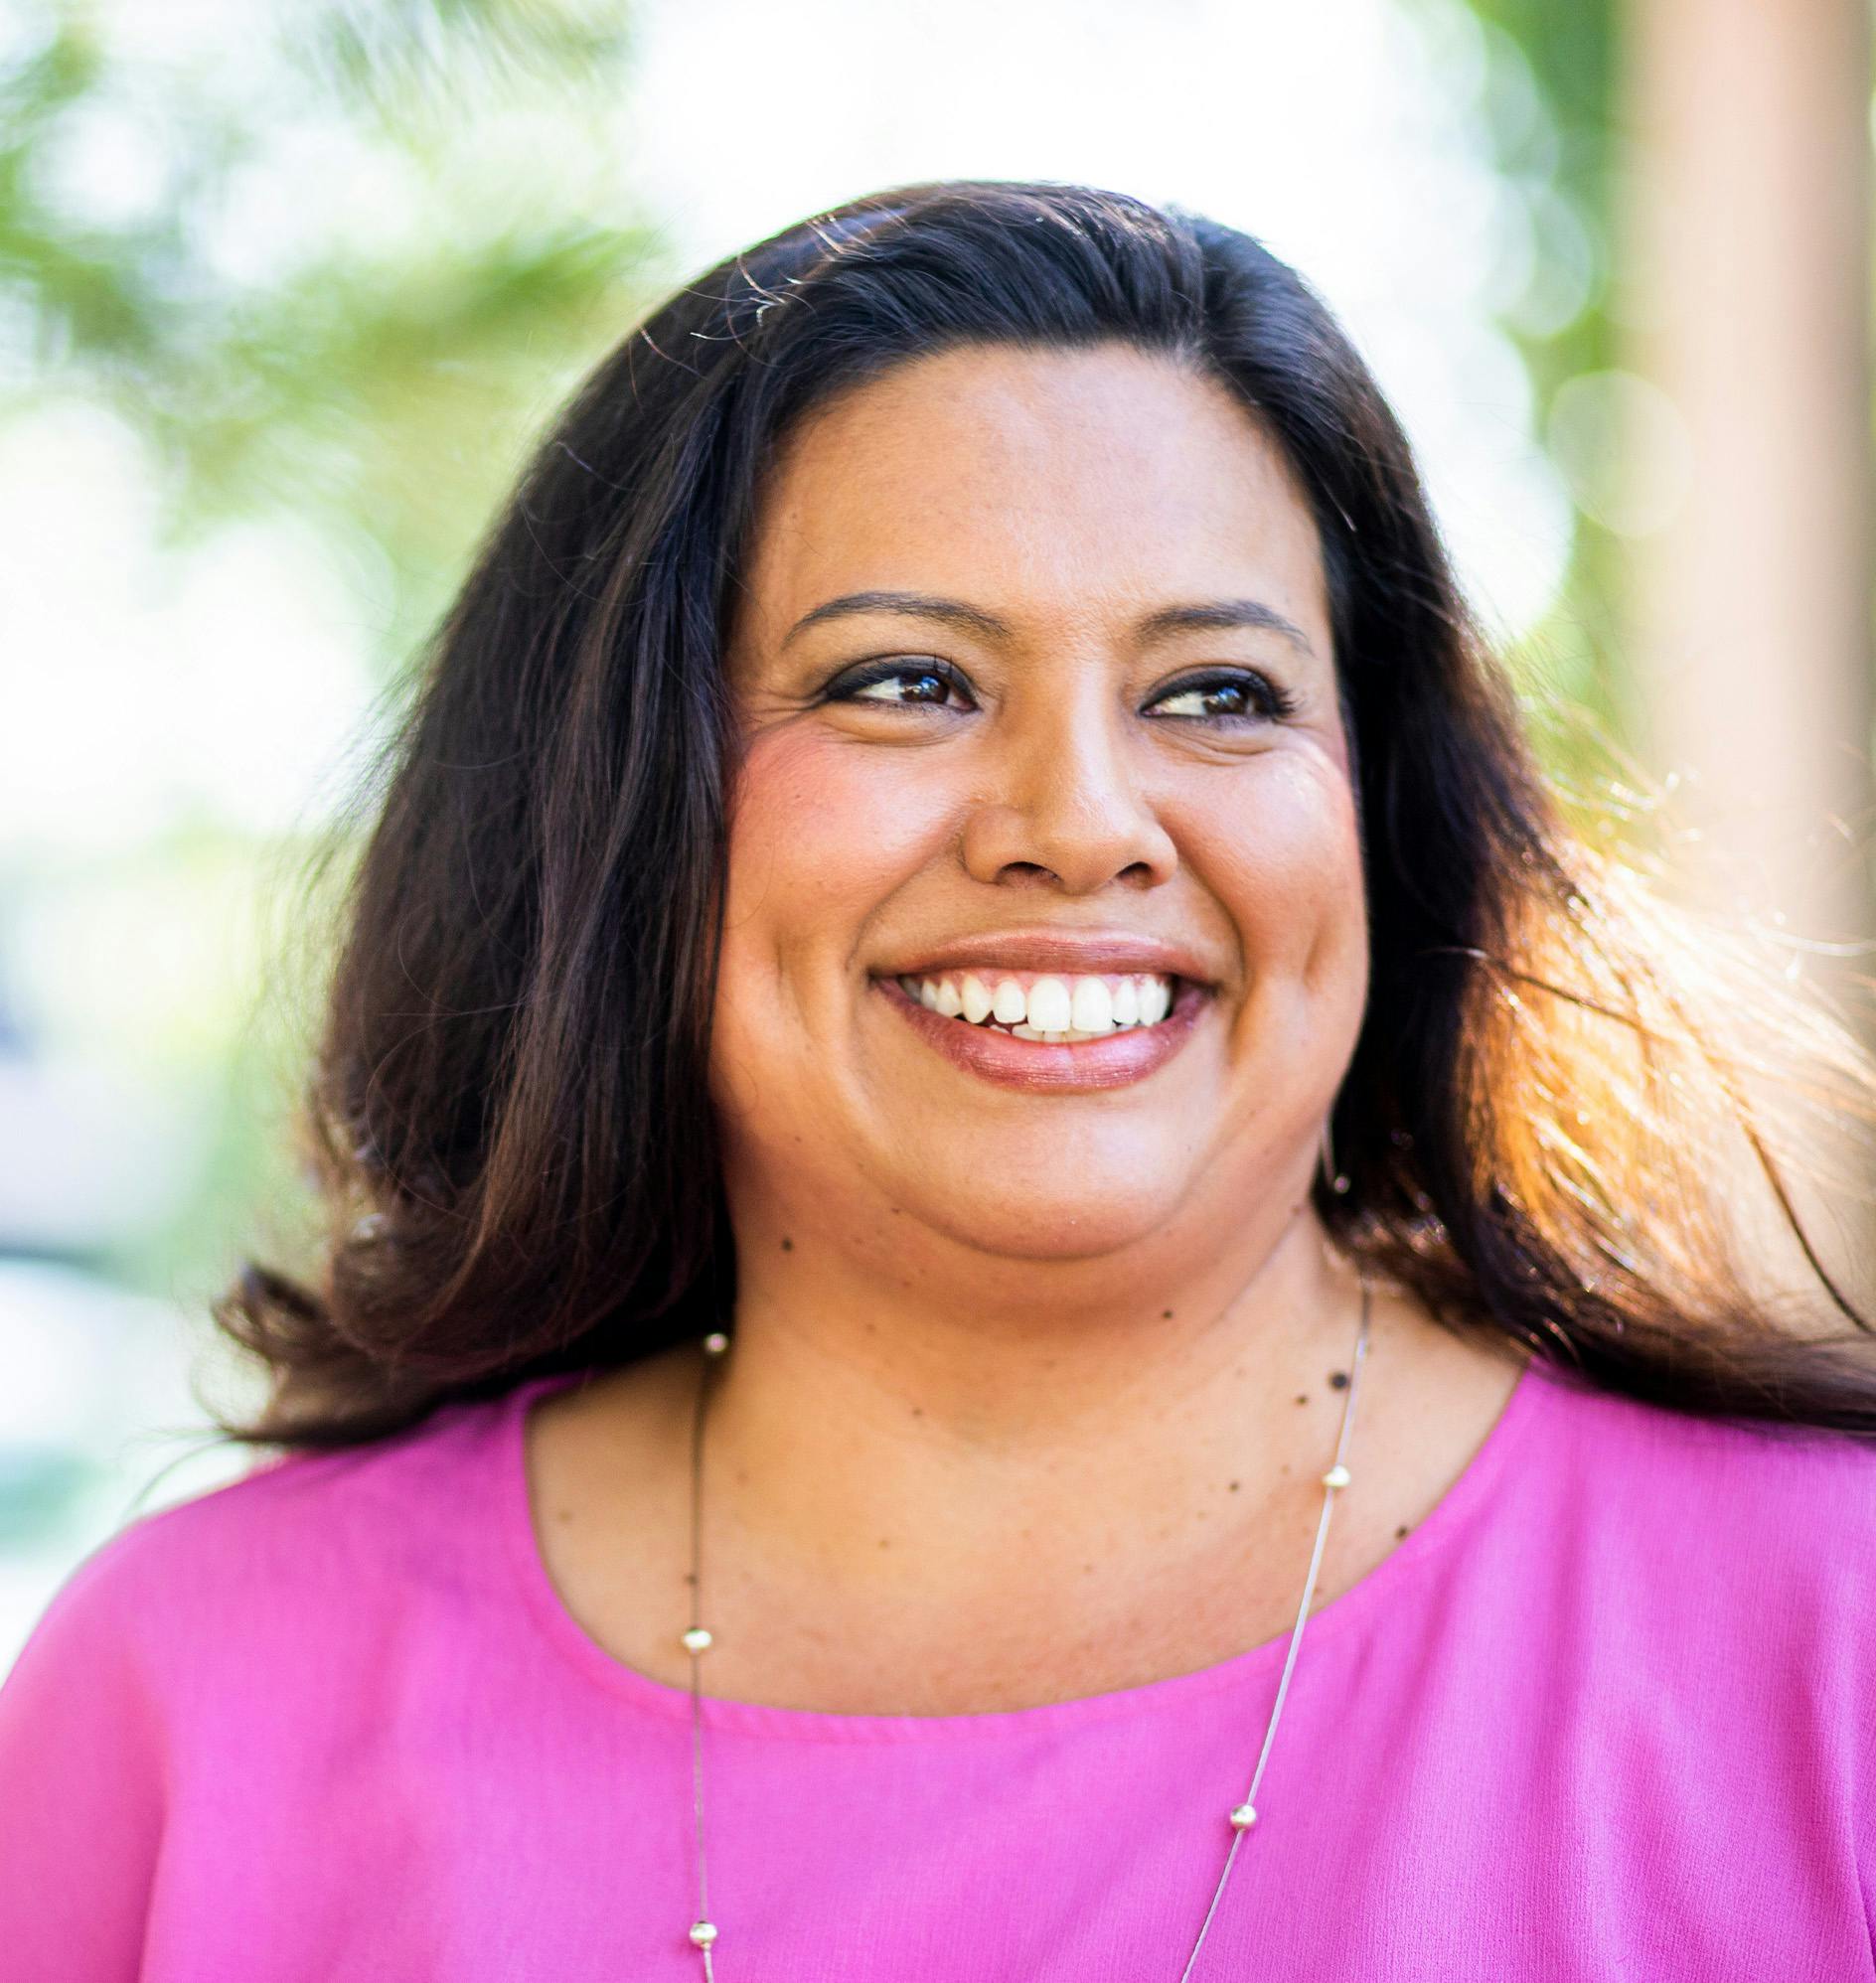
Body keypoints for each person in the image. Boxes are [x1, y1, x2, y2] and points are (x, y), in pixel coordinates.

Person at [1, 179, 1872, 1981]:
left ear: (1381, 815)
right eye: (905, 680)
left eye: (1219, 692)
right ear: (621, 806)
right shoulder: (190, 1702)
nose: (1078, 823)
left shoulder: (1829, 1626)